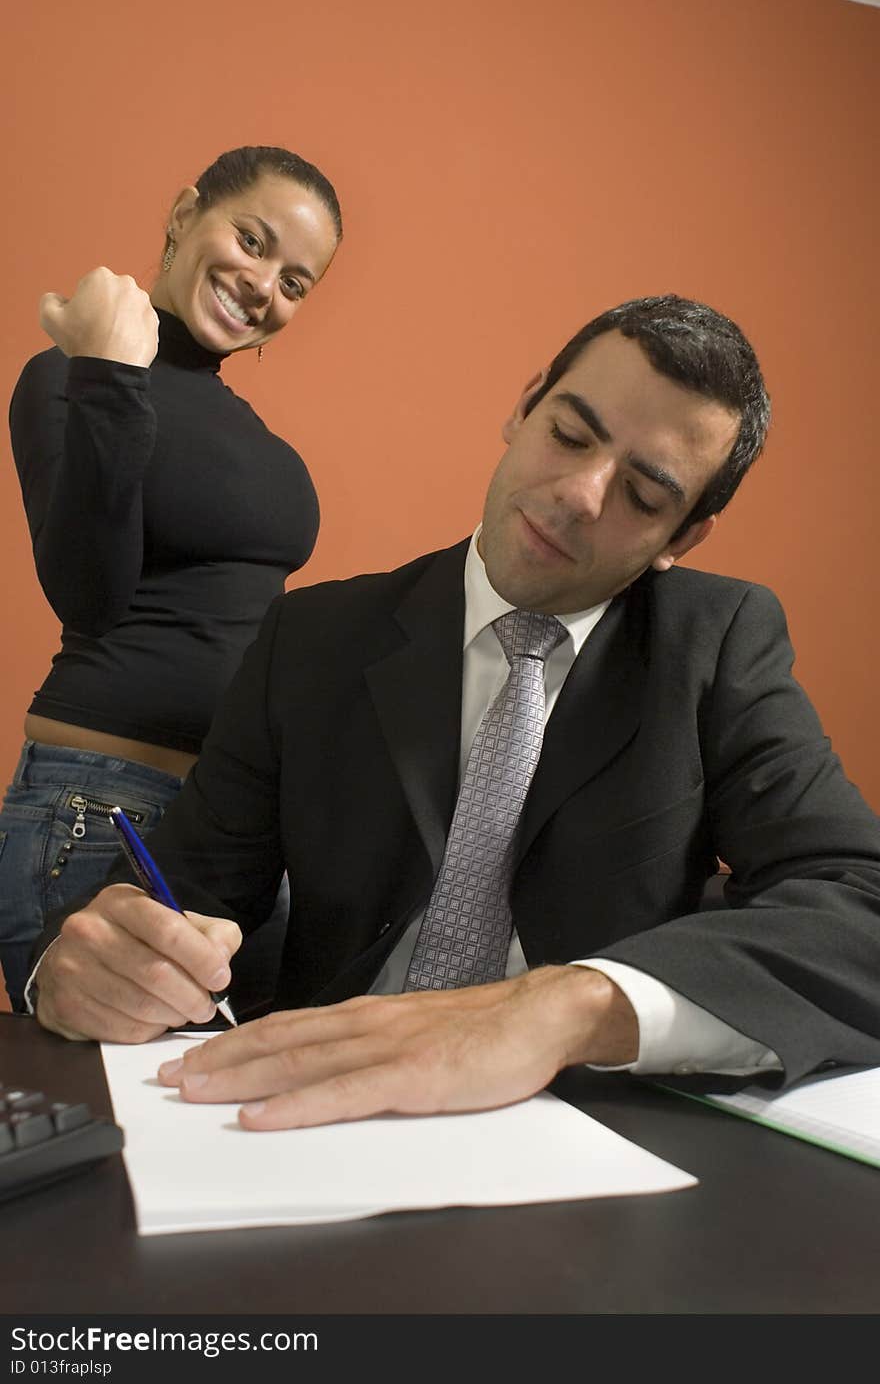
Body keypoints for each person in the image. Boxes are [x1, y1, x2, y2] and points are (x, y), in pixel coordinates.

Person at [28, 294, 880, 1134]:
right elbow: (173, 900)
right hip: (314, 1118)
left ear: (681, 540)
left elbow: (861, 905)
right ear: (524, 404)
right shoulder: (314, 638)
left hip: (583, 1136)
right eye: (570, 435)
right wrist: (89, 962)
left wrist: (565, 1007)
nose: (580, 494)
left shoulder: (716, 643)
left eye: (645, 496)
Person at [0, 145, 342, 1011]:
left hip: (239, 828)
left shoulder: (249, 431)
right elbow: (87, 592)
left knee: (246, 1113)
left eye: (296, 282)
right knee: (122, 1118)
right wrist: (110, 370)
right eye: (253, 240)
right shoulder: (69, 376)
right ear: (186, 213)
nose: (265, 284)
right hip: (102, 809)